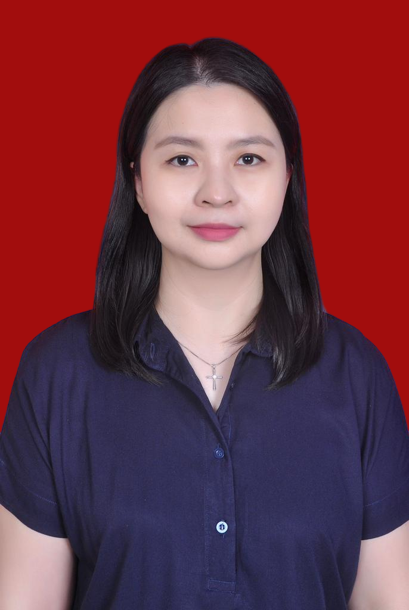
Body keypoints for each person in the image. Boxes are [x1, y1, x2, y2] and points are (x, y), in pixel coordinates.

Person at [1, 37, 408, 610]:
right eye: (182, 159)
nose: (216, 193)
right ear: (138, 181)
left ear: (287, 178)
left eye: (249, 159)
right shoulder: (56, 373)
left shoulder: (356, 374)